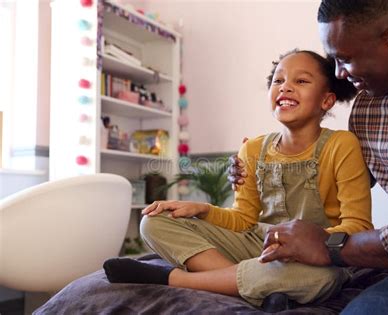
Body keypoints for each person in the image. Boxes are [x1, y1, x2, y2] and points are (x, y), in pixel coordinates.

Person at [230, 1, 388, 314]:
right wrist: (257, 168)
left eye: (344, 59)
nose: (338, 73)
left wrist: (334, 246)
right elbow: (337, 179)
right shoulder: (367, 107)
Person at [103, 49, 374, 309]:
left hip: (319, 257)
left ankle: (178, 279)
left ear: (326, 100)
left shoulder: (341, 144)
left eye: (301, 81)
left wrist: (311, 243)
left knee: (317, 279)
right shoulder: (253, 148)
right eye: (278, 80)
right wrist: (203, 210)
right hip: (260, 244)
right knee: (153, 222)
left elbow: (358, 226)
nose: (285, 87)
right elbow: (243, 220)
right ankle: (245, 282)